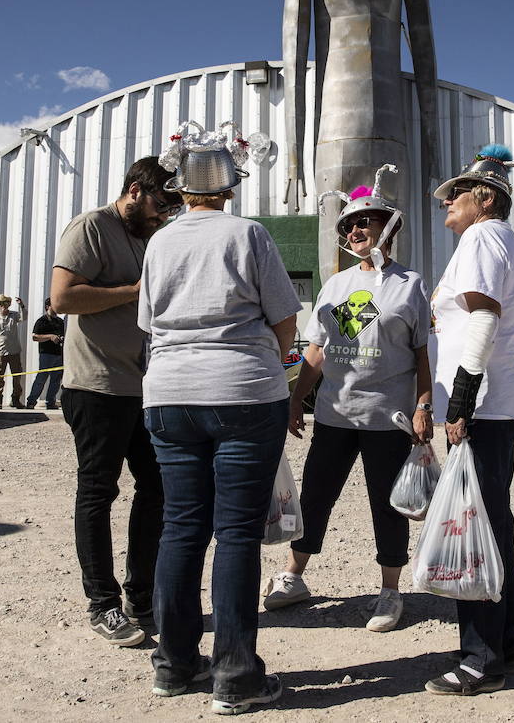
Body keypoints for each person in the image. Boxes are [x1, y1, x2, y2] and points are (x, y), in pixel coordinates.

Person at [138, 126, 296, 713]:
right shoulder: (248, 234)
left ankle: (174, 665)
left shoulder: (159, 242)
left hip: (170, 391)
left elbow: (148, 325)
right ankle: (235, 675)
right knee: (235, 534)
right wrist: (273, 360)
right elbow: (284, 320)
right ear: (230, 187)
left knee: (181, 527)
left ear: (180, 188)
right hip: (243, 393)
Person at [267, 165, 432, 634]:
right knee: (316, 497)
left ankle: (390, 591)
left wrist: (424, 406)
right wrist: (297, 398)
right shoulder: (336, 285)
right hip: (335, 414)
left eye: (366, 222)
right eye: (349, 225)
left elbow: (423, 353)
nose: (356, 230)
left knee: (388, 505)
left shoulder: (411, 285)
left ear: (389, 228)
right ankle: (294, 577)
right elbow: (316, 351)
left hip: (389, 418)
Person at [50, 156, 181, 648]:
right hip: (96, 387)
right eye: (159, 204)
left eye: (171, 207)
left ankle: (141, 596)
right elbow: (62, 299)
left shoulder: (151, 238)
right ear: (133, 190)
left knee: (159, 490)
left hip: (146, 388)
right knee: (98, 492)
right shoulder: (91, 227)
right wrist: (137, 291)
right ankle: (101, 603)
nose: (164, 214)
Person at [425, 144, 514, 696]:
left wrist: (462, 395)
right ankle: (504, 646)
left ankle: (482, 657)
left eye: (455, 194)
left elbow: (485, 312)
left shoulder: (482, 237)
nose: (446, 203)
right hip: (498, 402)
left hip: (484, 405)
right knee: (494, 522)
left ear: (484, 198)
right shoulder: (503, 241)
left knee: (479, 528)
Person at [0, 294, 27, 409]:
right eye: (1, 303)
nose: (4, 306)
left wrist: (22, 306)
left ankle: (15, 399)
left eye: (6, 303)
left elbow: (24, 317)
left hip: (14, 351)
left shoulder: (14, 315)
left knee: (17, 376)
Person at [26, 298, 65, 410]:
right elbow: (34, 337)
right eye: (54, 305)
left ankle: (50, 402)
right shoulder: (42, 321)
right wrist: (50, 337)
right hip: (46, 355)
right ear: (48, 306)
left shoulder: (60, 321)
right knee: (41, 378)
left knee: (56, 380)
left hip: (58, 354)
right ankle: (31, 402)